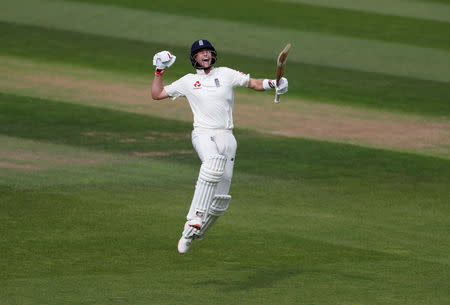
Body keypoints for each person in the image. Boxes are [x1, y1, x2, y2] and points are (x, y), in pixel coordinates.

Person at [151, 39, 288, 254]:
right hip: (203, 133)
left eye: (208, 51)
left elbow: (253, 83)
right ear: (194, 58)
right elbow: (156, 95)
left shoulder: (225, 73)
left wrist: (274, 84)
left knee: (220, 201)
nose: (205, 55)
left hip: (226, 136)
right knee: (212, 163)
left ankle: (192, 234)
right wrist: (159, 71)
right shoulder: (188, 81)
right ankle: (194, 218)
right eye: (200, 52)